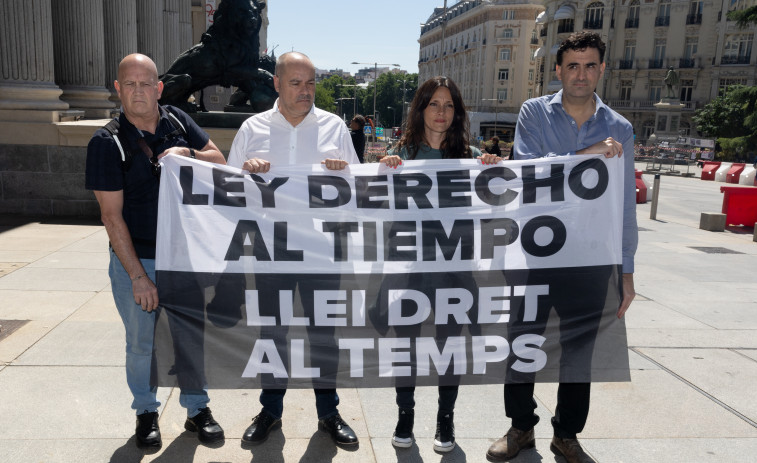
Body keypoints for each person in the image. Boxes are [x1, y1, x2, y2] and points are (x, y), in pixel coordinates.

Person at [485, 31, 638, 463]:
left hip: (591, 258)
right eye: (572, 65)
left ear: (602, 69)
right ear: (557, 70)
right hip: (535, 253)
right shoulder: (534, 113)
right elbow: (531, 174)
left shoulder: (620, 129)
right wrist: (588, 155)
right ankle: (520, 428)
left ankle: (566, 434)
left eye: (590, 65)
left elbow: (624, 205)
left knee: (579, 352)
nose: (581, 74)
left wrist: (626, 271)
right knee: (522, 344)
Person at [85, 53, 227, 449]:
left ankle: (197, 409)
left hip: (184, 257)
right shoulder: (106, 142)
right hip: (140, 259)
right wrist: (138, 277)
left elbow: (220, 160)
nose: (137, 92)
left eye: (145, 83)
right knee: (141, 342)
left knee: (189, 337)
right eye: (128, 84)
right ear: (118, 89)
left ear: (159, 88)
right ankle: (146, 412)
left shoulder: (179, 122)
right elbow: (112, 218)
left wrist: (189, 154)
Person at [227, 51, 360, 448]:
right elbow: (228, 191)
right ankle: (271, 410)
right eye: (296, 83)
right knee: (274, 334)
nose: (305, 91)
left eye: (311, 83)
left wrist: (344, 174)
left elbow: (358, 190)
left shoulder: (335, 127)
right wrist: (246, 173)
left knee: (324, 335)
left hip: (322, 250)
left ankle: (328, 412)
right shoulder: (252, 129)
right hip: (272, 249)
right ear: (276, 84)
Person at [380, 76, 501, 453]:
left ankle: (445, 420)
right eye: (434, 103)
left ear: (457, 113)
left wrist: (493, 169)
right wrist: (383, 170)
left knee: (450, 345)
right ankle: (405, 415)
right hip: (410, 269)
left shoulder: (471, 159)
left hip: (455, 268)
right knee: (408, 345)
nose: (441, 112)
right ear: (421, 109)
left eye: (449, 105)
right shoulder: (400, 156)